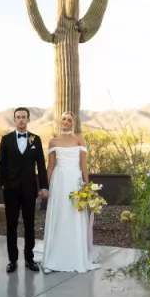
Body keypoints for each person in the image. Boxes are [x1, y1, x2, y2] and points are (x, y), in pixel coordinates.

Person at [34, 111, 101, 273]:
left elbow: (84, 165)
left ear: (73, 123)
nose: (65, 121)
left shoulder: (79, 138)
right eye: (63, 119)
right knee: (59, 214)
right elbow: (50, 166)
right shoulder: (53, 141)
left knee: (74, 214)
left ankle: (75, 257)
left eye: (69, 119)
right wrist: (44, 186)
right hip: (59, 181)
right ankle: (53, 258)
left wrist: (87, 184)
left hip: (75, 181)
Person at [0, 107, 49, 273]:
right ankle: (12, 260)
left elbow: (41, 165)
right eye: (18, 117)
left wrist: (43, 186)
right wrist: (4, 184)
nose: (21, 120)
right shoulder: (6, 139)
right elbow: (1, 165)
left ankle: (29, 259)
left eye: (23, 117)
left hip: (29, 189)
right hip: (11, 190)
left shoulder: (36, 139)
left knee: (29, 225)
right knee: (11, 224)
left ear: (28, 120)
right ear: (14, 120)